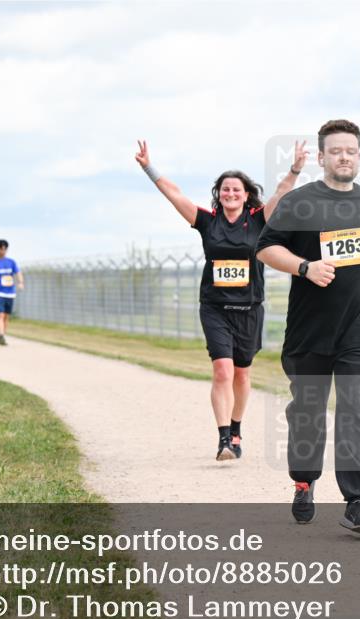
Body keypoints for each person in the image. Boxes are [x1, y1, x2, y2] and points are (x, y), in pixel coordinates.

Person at [256, 119, 360, 538]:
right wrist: (305, 267)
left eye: (351, 151)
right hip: (309, 333)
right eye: (336, 151)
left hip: (358, 331)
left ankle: (358, 503)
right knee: (307, 416)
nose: (344, 157)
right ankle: (303, 481)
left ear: (359, 156)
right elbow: (265, 247)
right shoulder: (299, 202)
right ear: (321, 157)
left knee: (356, 412)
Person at [135, 139, 305, 461]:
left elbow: (282, 193)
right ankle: (224, 438)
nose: (230, 194)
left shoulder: (258, 219)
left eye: (236, 190)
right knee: (223, 371)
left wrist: (295, 168)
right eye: (225, 190)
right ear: (219, 194)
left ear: (245, 194)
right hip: (214, 308)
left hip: (250, 309)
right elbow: (174, 194)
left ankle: (237, 427)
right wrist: (148, 167)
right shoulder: (206, 221)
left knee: (242, 373)